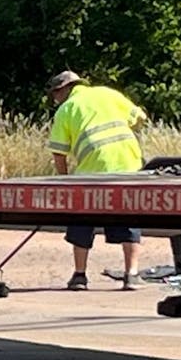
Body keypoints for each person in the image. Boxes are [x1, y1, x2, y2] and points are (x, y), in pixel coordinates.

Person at [46, 71, 148, 291]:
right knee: (128, 219)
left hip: (91, 173)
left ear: (62, 90)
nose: (55, 99)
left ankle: (79, 276)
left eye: (55, 94)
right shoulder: (108, 94)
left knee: (82, 222)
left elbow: (58, 153)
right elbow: (140, 119)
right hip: (128, 166)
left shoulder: (66, 109)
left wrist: (64, 182)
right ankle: (131, 275)